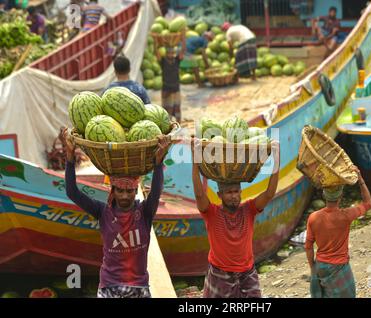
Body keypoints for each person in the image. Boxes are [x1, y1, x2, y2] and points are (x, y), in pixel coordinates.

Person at [60, 128, 170, 298]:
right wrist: (69, 157)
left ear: (136, 192)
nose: (125, 196)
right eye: (120, 191)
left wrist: (158, 163)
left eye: (129, 191)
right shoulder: (102, 212)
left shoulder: (145, 212)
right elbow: (72, 192)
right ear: (113, 191)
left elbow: (156, 191)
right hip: (109, 287)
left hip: (138, 288)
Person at [191, 138, 280, 298]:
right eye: (229, 192)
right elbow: (199, 194)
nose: (234, 196)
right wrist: (196, 160)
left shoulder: (249, 210)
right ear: (220, 195)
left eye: (236, 191)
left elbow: (269, 193)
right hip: (220, 274)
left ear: (241, 192)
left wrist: (276, 159)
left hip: (247, 273)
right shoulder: (211, 212)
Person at [305, 166, 371, 298]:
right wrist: (360, 179)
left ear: (324, 195)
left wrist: (313, 267)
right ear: (340, 196)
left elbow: (308, 246)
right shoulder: (346, 215)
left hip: (321, 266)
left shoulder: (313, 217)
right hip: (340, 266)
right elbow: (368, 203)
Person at [157, 46, 182, 123]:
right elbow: (156, 53)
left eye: (172, 53)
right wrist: (156, 43)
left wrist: (183, 38)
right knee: (167, 109)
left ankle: (179, 123)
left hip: (175, 88)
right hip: (166, 88)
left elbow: (183, 50)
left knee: (177, 107)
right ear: (166, 53)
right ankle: (168, 124)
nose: (171, 55)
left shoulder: (177, 60)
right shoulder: (163, 61)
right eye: (169, 53)